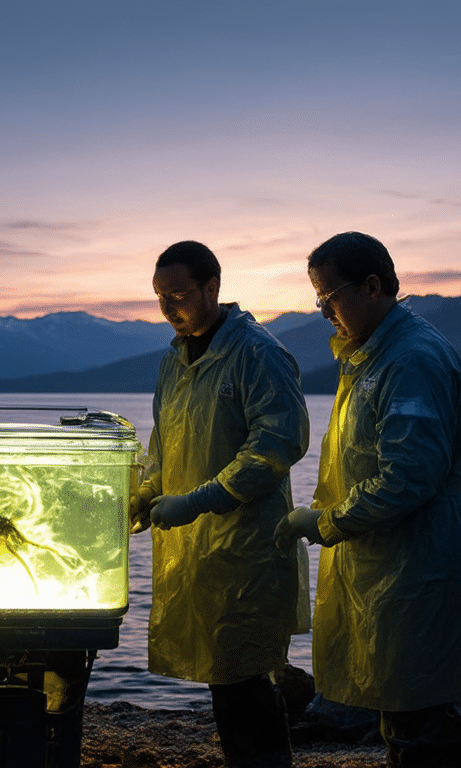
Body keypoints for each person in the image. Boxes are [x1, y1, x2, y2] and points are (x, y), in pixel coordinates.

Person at [273, 232, 461, 767]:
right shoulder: (374, 355)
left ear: (373, 286)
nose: (324, 312)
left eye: (329, 298)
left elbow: (407, 478)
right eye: (318, 300)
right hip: (393, 564)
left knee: (423, 717)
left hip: (422, 563)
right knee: (404, 709)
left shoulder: (410, 360)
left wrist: (324, 523)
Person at [133, 240, 310, 768]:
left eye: (179, 295)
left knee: (246, 680)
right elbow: (163, 442)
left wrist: (199, 500)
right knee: (224, 678)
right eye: (160, 296)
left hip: (248, 548)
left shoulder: (258, 353)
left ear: (213, 288)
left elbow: (277, 446)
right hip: (198, 549)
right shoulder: (173, 358)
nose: (168, 307)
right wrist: (147, 489)